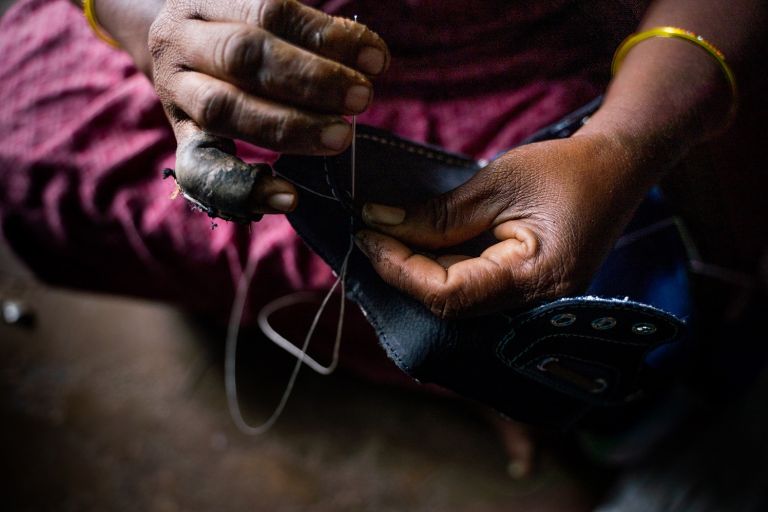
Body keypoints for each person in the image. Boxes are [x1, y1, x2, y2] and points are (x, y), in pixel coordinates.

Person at [1, 0, 767, 486]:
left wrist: (624, 143)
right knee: (28, 152)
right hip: (233, 51)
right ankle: (463, 371)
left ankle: (575, 396)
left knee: (598, 298)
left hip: (532, 58)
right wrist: (154, 27)